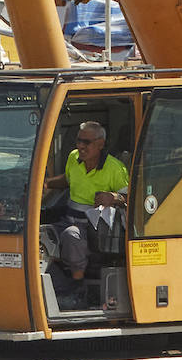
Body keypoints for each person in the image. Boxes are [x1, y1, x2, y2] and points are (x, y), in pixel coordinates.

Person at [43, 120, 129, 301]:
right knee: (38, 235)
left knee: (71, 236)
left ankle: (77, 287)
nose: (80, 146)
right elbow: (68, 180)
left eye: (86, 142)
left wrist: (114, 198)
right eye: (78, 141)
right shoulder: (73, 157)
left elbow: (131, 198)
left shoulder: (115, 168)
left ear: (100, 144)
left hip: (93, 226)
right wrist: (46, 184)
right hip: (67, 217)